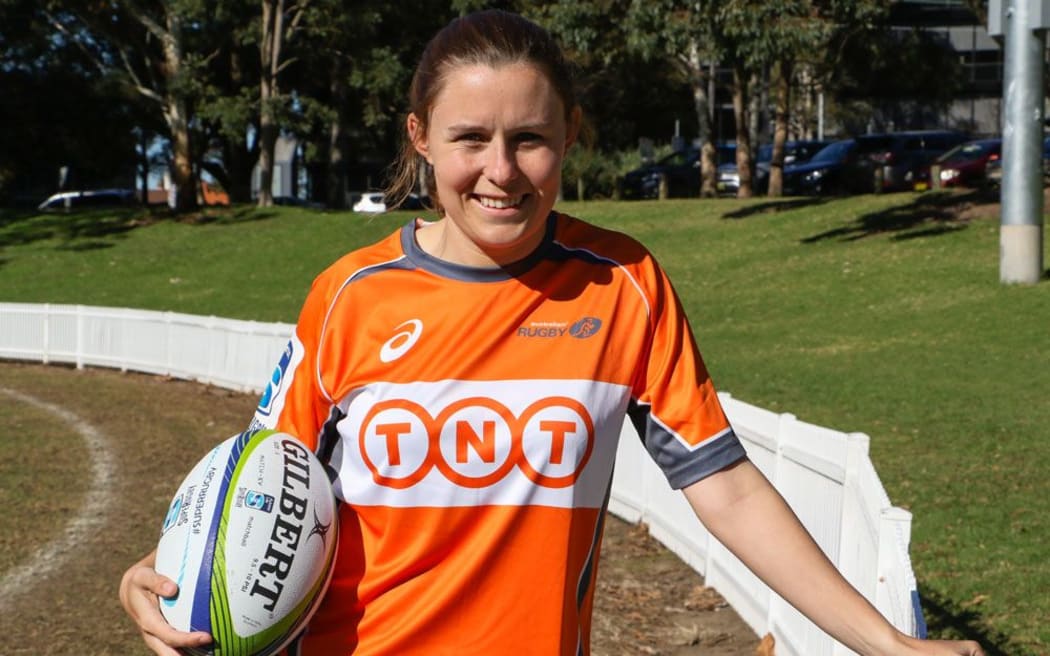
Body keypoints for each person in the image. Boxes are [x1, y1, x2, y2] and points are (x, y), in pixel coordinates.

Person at [120, 10, 985, 656]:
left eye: (529, 138)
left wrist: (888, 644)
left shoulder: (623, 285)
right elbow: (261, 486)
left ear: (570, 134)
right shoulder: (350, 296)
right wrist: (161, 576)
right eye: (470, 138)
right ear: (421, 138)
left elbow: (726, 488)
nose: (500, 171)